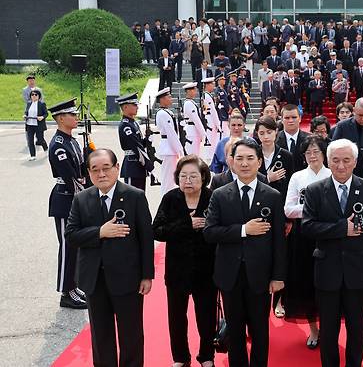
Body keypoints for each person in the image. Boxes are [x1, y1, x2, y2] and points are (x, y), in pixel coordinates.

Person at [65, 148, 154, 367]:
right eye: (95, 170)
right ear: (88, 173)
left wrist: (146, 275)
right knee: (101, 334)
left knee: (131, 334)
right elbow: (71, 235)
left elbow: (146, 238)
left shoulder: (135, 196)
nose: (101, 174)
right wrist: (99, 232)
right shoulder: (81, 198)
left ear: (117, 168)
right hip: (94, 280)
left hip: (128, 278)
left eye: (106, 168)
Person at [302, 138, 363, 367]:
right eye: (335, 160)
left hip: (358, 272)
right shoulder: (315, 190)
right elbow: (307, 227)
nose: (340, 166)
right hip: (327, 270)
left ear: (355, 162)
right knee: (328, 329)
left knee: (356, 328)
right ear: (328, 161)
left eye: (346, 160)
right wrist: (341, 228)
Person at [204, 139, 286, 367]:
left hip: (260, 275)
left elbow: (279, 240)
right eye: (239, 158)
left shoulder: (272, 196)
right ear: (230, 162)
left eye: (250, 158)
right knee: (235, 331)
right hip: (230, 275)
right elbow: (210, 232)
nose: (244, 163)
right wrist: (243, 230)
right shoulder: (220, 194)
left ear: (260, 162)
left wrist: (278, 276)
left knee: (260, 331)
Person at [153, 155, 217, 367]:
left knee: (206, 317)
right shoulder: (171, 199)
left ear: (204, 177)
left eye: (193, 176)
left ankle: (207, 356)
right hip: (177, 270)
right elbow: (157, 231)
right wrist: (186, 224)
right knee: (177, 319)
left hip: (206, 270)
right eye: (183, 176)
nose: (187, 180)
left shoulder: (213, 197)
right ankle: (180, 357)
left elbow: (221, 230)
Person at [283, 135, 331, 348]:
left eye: (316, 152)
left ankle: (329, 329)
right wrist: (313, 210)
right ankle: (313, 329)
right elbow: (288, 209)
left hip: (329, 236)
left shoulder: (332, 174)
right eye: (308, 153)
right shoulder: (297, 177)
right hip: (303, 237)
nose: (312, 156)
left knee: (329, 284)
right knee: (306, 283)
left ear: (324, 154)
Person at [47, 98, 87, 309]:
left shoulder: (71, 140)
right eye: (72, 114)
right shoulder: (59, 145)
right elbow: (71, 179)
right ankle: (65, 292)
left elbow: (81, 169)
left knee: (75, 247)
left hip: (74, 198)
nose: (76, 117)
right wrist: (87, 198)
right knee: (67, 246)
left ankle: (73, 286)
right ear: (61, 118)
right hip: (65, 199)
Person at [331, 98, 363, 178]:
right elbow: (333, 149)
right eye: (360, 115)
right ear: (354, 111)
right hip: (348, 171)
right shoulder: (342, 126)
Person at [117, 93, 153, 191]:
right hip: (132, 165)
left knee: (140, 197)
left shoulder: (133, 123)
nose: (137, 107)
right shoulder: (126, 125)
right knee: (131, 200)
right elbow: (136, 147)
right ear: (125, 107)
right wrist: (149, 165)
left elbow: (140, 143)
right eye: (134, 105)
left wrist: (147, 138)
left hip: (138, 165)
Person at [156, 88, 186, 195]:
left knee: (171, 179)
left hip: (170, 148)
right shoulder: (163, 114)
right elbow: (171, 134)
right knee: (168, 180)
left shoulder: (166, 112)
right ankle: (165, 203)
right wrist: (179, 150)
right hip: (169, 148)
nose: (171, 99)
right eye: (168, 97)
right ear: (162, 99)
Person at [256, 116, 293, 198]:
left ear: (276, 131)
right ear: (257, 133)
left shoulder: (286, 155)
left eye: (269, 132)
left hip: (280, 199)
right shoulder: (253, 154)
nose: (266, 137)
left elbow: (290, 183)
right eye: (261, 133)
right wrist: (268, 179)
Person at [276, 104, 310, 173]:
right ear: (281, 119)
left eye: (294, 117)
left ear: (300, 118)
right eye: (287, 118)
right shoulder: (274, 139)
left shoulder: (309, 139)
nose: (291, 120)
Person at [182, 83, 207, 157]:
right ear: (188, 91)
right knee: (193, 155)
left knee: (196, 154)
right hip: (192, 132)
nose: (195, 91)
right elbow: (196, 120)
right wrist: (203, 134)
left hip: (194, 131)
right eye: (193, 89)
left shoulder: (191, 102)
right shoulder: (189, 103)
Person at [23, 89, 48, 160]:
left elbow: (46, 113)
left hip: (38, 125)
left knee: (40, 139)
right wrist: (25, 115)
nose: (34, 96)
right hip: (29, 125)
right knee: (30, 140)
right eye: (32, 95)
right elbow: (26, 112)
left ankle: (46, 149)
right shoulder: (28, 103)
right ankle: (33, 156)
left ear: (38, 96)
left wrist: (42, 117)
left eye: (35, 95)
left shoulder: (42, 104)